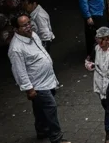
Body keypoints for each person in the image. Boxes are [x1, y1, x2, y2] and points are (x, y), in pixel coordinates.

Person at [7, 14, 67, 143]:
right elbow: (19, 71)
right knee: (50, 107)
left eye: (29, 23)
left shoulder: (33, 35)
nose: (29, 27)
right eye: (24, 25)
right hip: (38, 85)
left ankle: (42, 130)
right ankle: (56, 137)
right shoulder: (16, 48)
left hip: (48, 79)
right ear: (16, 29)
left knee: (40, 108)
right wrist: (29, 89)